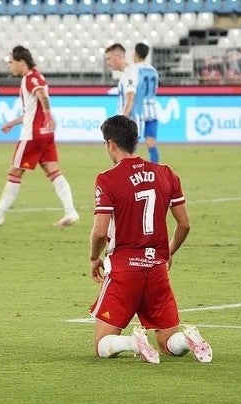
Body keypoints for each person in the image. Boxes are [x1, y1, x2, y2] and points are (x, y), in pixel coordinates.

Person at [88, 115, 212, 363]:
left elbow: (100, 232)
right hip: (157, 269)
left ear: (111, 144)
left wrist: (94, 258)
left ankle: (132, 342)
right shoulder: (165, 173)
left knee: (102, 345)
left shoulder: (107, 179)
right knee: (168, 343)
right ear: (136, 141)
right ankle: (188, 340)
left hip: (124, 270)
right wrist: (170, 252)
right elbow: (185, 224)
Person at [0, 46, 79, 227]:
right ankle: (71, 212)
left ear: (21, 62)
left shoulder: (30, 78)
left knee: (15, 172)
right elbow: (32, 110)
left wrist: (47, 116)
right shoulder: (37, 76)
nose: (10, 67)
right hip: (45, 134)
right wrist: (12, 123)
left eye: (11, 63)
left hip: (32, 135)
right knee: (53, 171)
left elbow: (42, 96)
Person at [133, 43, 160, 163]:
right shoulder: (153, 70)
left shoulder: (134, 69)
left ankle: (131, 172)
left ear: (136, 53)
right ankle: (155, 173)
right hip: (152, 109)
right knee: (151, 143)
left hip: (139, 109)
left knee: (132, 144)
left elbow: (134, 90)